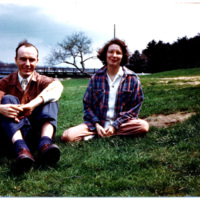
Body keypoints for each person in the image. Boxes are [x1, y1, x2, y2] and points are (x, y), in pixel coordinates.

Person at [61, 38, 149, 142]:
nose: (114, 55)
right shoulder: (95, 78)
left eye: (118, 53)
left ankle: (108, 133)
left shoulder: (132, 78)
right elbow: (87, 106)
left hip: (122, 124)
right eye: (111, 52)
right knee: (67, 136)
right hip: (96, 125)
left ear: (123, 56)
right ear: (105, 55)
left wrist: (115, 125)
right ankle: (101, 133)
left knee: (143, 126)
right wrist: (97, 125)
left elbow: (134, 108)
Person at [0, 40, 63, 172]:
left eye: (31, 59)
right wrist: (1, 109)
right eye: (23, 59)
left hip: (37, 133)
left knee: (51, 98)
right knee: (7, 99)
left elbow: (57, 87)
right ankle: (21, 150)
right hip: (14, 134)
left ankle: (45, 145)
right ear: (16, 60)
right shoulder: (5, 82)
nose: (27, 64)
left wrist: (31, 105)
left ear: (37, 61)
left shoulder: (42, 80)